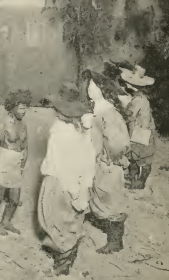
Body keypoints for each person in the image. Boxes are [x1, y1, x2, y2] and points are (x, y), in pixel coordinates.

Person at [38, 82, 96, 277]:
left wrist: (73, 189)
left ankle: (62, 264)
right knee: (67, 221)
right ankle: (62, 252)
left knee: (57, 221)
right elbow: (88, 162)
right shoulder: (80, 130)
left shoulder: (63, 133)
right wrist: (83, 187)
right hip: (72, 182)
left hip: (62, 183)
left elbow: (67, 164)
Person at [82, 75, 131, 254]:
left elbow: (118, 143)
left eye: (92, 86)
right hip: (101, 163)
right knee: (101, 195)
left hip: (109, 164)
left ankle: (116, 241)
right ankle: (102, 221)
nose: (89, 88)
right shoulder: (100, 110)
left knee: (110, 199)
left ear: (101, 89)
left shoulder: (107, 113)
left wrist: (110, 158)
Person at [0, 89, 31, 236]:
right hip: (3, 162)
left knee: (15, 199)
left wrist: (22, 166)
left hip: (16, 164)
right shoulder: (4, 124)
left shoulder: (23, 125)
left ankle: (6, 221)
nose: (24, 111)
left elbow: (25, 147)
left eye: (26, 108)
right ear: (13, 106)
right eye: (22, 108)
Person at [117, 65, 156, 190]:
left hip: (141, 132)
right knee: (137, 156)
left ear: (130, 85)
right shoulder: (140, 97)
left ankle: (140, 181)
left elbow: (129, 115)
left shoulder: (137, 100)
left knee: (143, 158)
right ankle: (134, 177)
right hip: (143, 130)